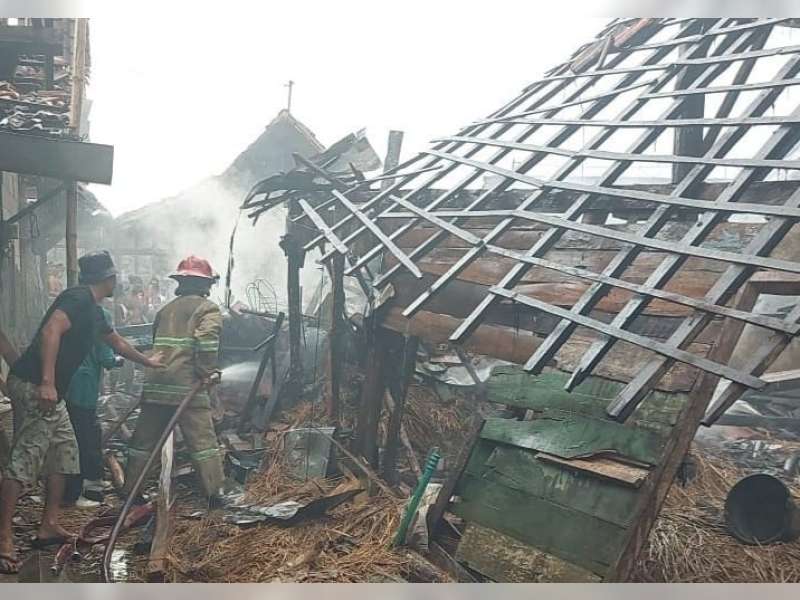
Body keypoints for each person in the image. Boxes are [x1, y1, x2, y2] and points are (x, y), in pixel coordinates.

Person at [0, 251, 164, 575]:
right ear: (109, 278)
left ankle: (48, 524)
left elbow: (116, 343)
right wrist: (47, 381)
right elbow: (51, 332)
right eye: (115, 276)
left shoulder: (95, 311)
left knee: (64, 452)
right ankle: (3, 537)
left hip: (52, 393)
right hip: (36, 387)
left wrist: (148, 362)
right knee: (24, 459)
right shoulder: (76, 298)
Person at [123, 256, 225, 502]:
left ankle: (130, 491)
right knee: (203, 444)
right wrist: (206, 372)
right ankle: (214, 493)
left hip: (156, 384)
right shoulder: (208, 309)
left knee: (143, 443)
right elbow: (207, 343)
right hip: (186, 386)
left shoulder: (165, 310)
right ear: (204, 285)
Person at [63, 306, 123, 508]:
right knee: (86, 436)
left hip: (69, 382)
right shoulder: (99, 315)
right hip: (84, 386)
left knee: (79, 433)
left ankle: (88, 481)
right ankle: (86, 489)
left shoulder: (73, 311)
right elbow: (106, 357)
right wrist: (119, 359)